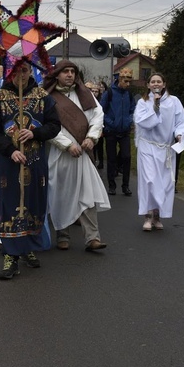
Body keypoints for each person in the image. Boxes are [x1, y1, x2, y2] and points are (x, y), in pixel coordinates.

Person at [0, 61, 61, 279]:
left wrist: (35, 133)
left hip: (35, 160)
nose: (20, 75)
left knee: (33, 202)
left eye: (25, 70)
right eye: (16, 71)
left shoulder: (42, 96)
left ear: (30, 72)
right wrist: (10, 149)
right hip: (8, 162)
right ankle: (10, 255)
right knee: (10, 204)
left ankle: (26, 247)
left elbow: (55, 125)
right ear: (9, 72)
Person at [43, 60, 110, 251]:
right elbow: (45, 125)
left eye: (72, 71)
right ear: (57, 74)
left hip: (83, 152)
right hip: (59, 154)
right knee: (61, 194)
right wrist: (66, 144)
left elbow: (98, 116)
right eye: (65, 71)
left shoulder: (85, 94)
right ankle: (62, 235)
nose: (70, 75)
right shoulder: (47, 97)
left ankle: (92, 238)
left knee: (87, 194)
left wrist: (91, 137)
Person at [134, 72, 184, 231]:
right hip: (147, 146)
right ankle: (148, 216)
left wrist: (179, 134)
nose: (156, 84)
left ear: (164, 84)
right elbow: (143, 122)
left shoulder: (174, 102)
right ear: (148, 85)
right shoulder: (143, 103)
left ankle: (157, 216)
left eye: (159, 81)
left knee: (164, 184)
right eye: (153, 82)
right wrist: (155, 107)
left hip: (165, 149)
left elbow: (181, 121)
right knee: (149, 181)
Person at [101, 67, 137, 196]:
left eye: (129, 82)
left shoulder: (129, 94)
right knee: (111, 159)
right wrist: (110, 122)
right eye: (125, 81)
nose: (128, 84)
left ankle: (125, 186)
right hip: (111, 131)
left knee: (126, 157)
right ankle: (112, 185)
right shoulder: (109, 93)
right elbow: (101, 110)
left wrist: (129, 120)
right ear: (119, 79)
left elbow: (133, 109)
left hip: (125, 131)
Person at [86, 81, 106, 169]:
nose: (94, 93)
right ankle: (92, 161)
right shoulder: (87, 100)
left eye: (96, 91)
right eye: (92, 91)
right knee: (92, 146)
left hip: (100, 126)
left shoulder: (102, 101)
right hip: (89, 126)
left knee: (100, 146)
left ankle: (101, 161)